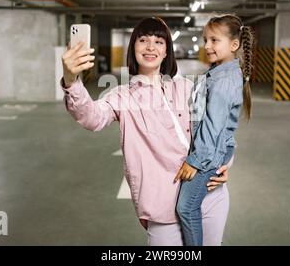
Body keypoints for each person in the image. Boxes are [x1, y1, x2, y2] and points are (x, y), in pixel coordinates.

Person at [61, 17, 230, 245]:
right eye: (143, 40)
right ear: (134, 48)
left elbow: (218, 130)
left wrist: (226, 165)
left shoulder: (188, 88)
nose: (151, 47)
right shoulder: (122, 97)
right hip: (163, 206)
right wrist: (72, 80)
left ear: (166, 51)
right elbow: (91, 117)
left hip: (208, 195)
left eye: (159, 41)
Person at [174, 13, 254, 246]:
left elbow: (212, 124)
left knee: (186, 208)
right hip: (214, 148)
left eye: (214, 40)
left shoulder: (225, 79)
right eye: (205, 39)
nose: (206, 45)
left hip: (210, 152)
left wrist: (195, 160)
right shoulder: (221, 72)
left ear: (234, 44)